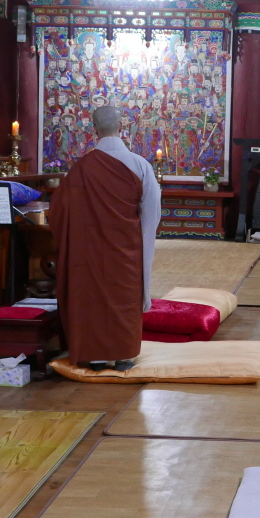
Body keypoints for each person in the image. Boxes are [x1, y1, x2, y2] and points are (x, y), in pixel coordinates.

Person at [50, 105, 162, 371]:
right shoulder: (140, 164)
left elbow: (59, 210)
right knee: (125, 298)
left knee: (94, 298)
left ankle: (97, 357)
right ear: (121, 126)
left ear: (93, 129)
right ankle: (124, 356)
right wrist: (143, 244)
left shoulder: (82, 167)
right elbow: (152, 213)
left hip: (90, 249)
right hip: (128, 250)